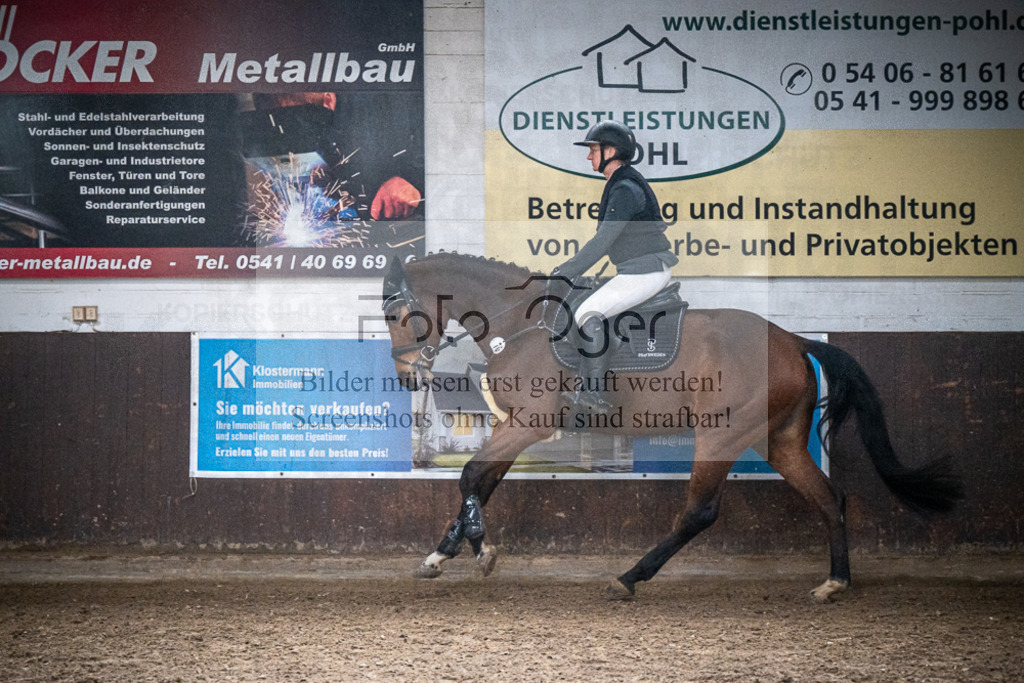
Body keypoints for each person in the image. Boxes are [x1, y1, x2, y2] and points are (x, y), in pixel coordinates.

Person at [552, 121, 678, 414]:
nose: (589, 157)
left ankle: (594, 395)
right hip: (636, 269)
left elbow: (603, 240)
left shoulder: (624, 188)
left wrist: (563, 272)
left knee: (587, 314)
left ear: (611, 151)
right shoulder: (621, 183)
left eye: (593, 150)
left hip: (646, 272)